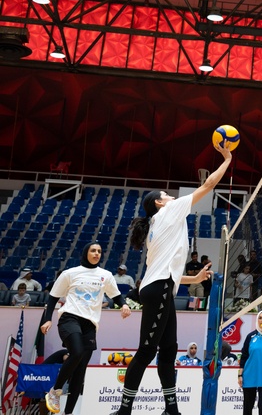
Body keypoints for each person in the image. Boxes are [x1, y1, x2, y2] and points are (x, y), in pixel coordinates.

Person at [112, 143, 230, 415]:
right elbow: (209, 185)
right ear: (159, 202)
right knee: (146, 351)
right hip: (160, 290)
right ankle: (124, 410)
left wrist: (195, 278)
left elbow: (166, 275)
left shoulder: (156, 227)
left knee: (168, 350)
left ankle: (171, 410)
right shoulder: (169, 211)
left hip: (161, 288)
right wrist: (226, 159)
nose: (171, 196)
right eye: (166, 194)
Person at [39, 241, 131, 414]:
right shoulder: (70, 273)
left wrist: (124, 305)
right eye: (93, 250)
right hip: (69, 318)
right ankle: (55, 391)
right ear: (85, 253)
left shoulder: (106, 275)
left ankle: (69, 412)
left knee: (80, 372)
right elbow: (53, 297)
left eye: (99, 251)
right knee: (77, 352)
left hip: (90, 324)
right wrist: (48, 319)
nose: (97, 253)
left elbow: (116, 295)